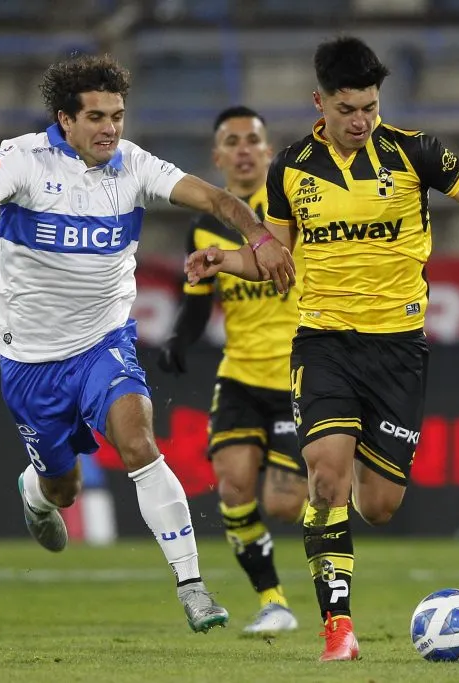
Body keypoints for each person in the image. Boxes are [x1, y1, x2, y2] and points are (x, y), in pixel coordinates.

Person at [185, 36, 459, 660]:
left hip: (398, 351)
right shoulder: (290, 168)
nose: (361, 120)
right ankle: (338, 628)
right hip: (324, 342)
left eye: (369, 106)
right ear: (321, 103)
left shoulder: (415, 152)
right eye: (347, 109)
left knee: (381, 504)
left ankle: (347, 544)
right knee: (325, 476)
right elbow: (274, 258)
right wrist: (225, 259)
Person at [0, 54, 295, 634]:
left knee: (140, 441)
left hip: (105, 341)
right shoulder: (22, 158)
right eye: (96, 117)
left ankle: (193, 587)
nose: (110, 128)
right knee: (63, 487)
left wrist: (261, 237)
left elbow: (219, 200)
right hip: (32, 361)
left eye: (117, 115)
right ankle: (38, 491)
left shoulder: (134, 165)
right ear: (64, 120)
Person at [158, 106, 309, 634]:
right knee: (231, 487)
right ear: (217, 157)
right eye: (232, 141)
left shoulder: (292, 208)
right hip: (241, 374)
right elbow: (198, 302)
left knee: (285, 505)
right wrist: (179, 336)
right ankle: (274, 602)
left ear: (268, 152)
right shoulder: (203, 228)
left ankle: (335, 471)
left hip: (298, 374)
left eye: (253, 139)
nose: (244, 149)